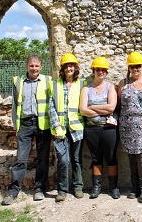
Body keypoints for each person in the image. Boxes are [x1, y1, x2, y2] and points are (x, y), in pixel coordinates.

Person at [2, 54, 52, 206]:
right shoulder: (18, 81)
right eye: (31, 65)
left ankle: (39, 189)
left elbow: (53, 102)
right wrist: (15, 125)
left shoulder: (48, 81)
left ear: (41, 67)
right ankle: (13, 191)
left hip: (43, 123)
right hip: (24, 123)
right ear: (27, 66)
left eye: (37, 66)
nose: (34, 68)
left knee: (42, 158)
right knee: (21, 159)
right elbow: (15, 106)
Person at [80, 56, 120, 199]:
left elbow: (111, 107)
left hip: (109, 129)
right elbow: (82, 110)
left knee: (111, 157)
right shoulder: (86, 88)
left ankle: (113, 187)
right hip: (92, 130)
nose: (101, 72)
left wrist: (92, 107)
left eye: (103, 70)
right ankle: (96, 187)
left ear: (106, 72)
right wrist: (101, 110)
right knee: (96, 158)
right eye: (98, 69)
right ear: (94, 71)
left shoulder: (110, 87)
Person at [118, 52, 142, 203]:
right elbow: (119, 105)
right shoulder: (123, 83)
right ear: (129, 67)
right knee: (132, 157)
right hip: (127, 125)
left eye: (138, 66)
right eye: (132, 66)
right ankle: (135, 188)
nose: (135, 69)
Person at [48, 53, 86, 202]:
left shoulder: (81, 84)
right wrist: (56, 126)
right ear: (62, 69)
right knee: (63, 160)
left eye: (71, 66)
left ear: (75, 68)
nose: (69, 68)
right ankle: (62, 190)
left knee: (76, 159)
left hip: (76, 128)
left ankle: (78, 187)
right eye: (66, 66)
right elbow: (51, 107)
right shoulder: (55, 84)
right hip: (60, 129)